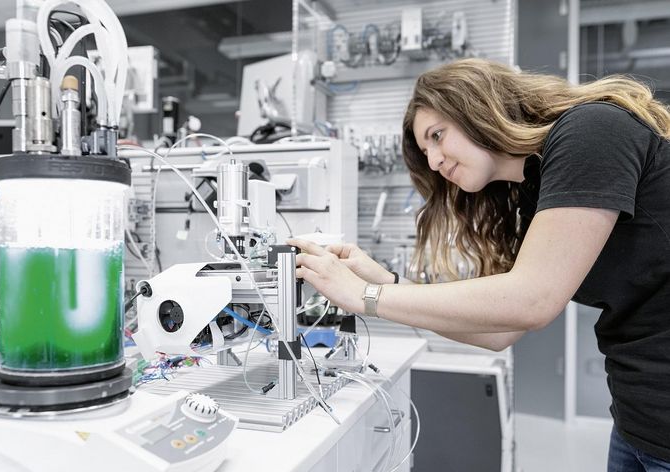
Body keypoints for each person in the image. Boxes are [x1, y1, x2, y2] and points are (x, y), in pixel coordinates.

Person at [287, 58, 670, 471]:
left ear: (478, 107)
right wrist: (385, 280)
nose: (434, 162)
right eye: (426, 151)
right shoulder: (533, 190)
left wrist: (365, 295)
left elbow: (533, 300)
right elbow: (501, 330)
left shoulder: (593, 131)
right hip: (636, 418)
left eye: (437, 136)